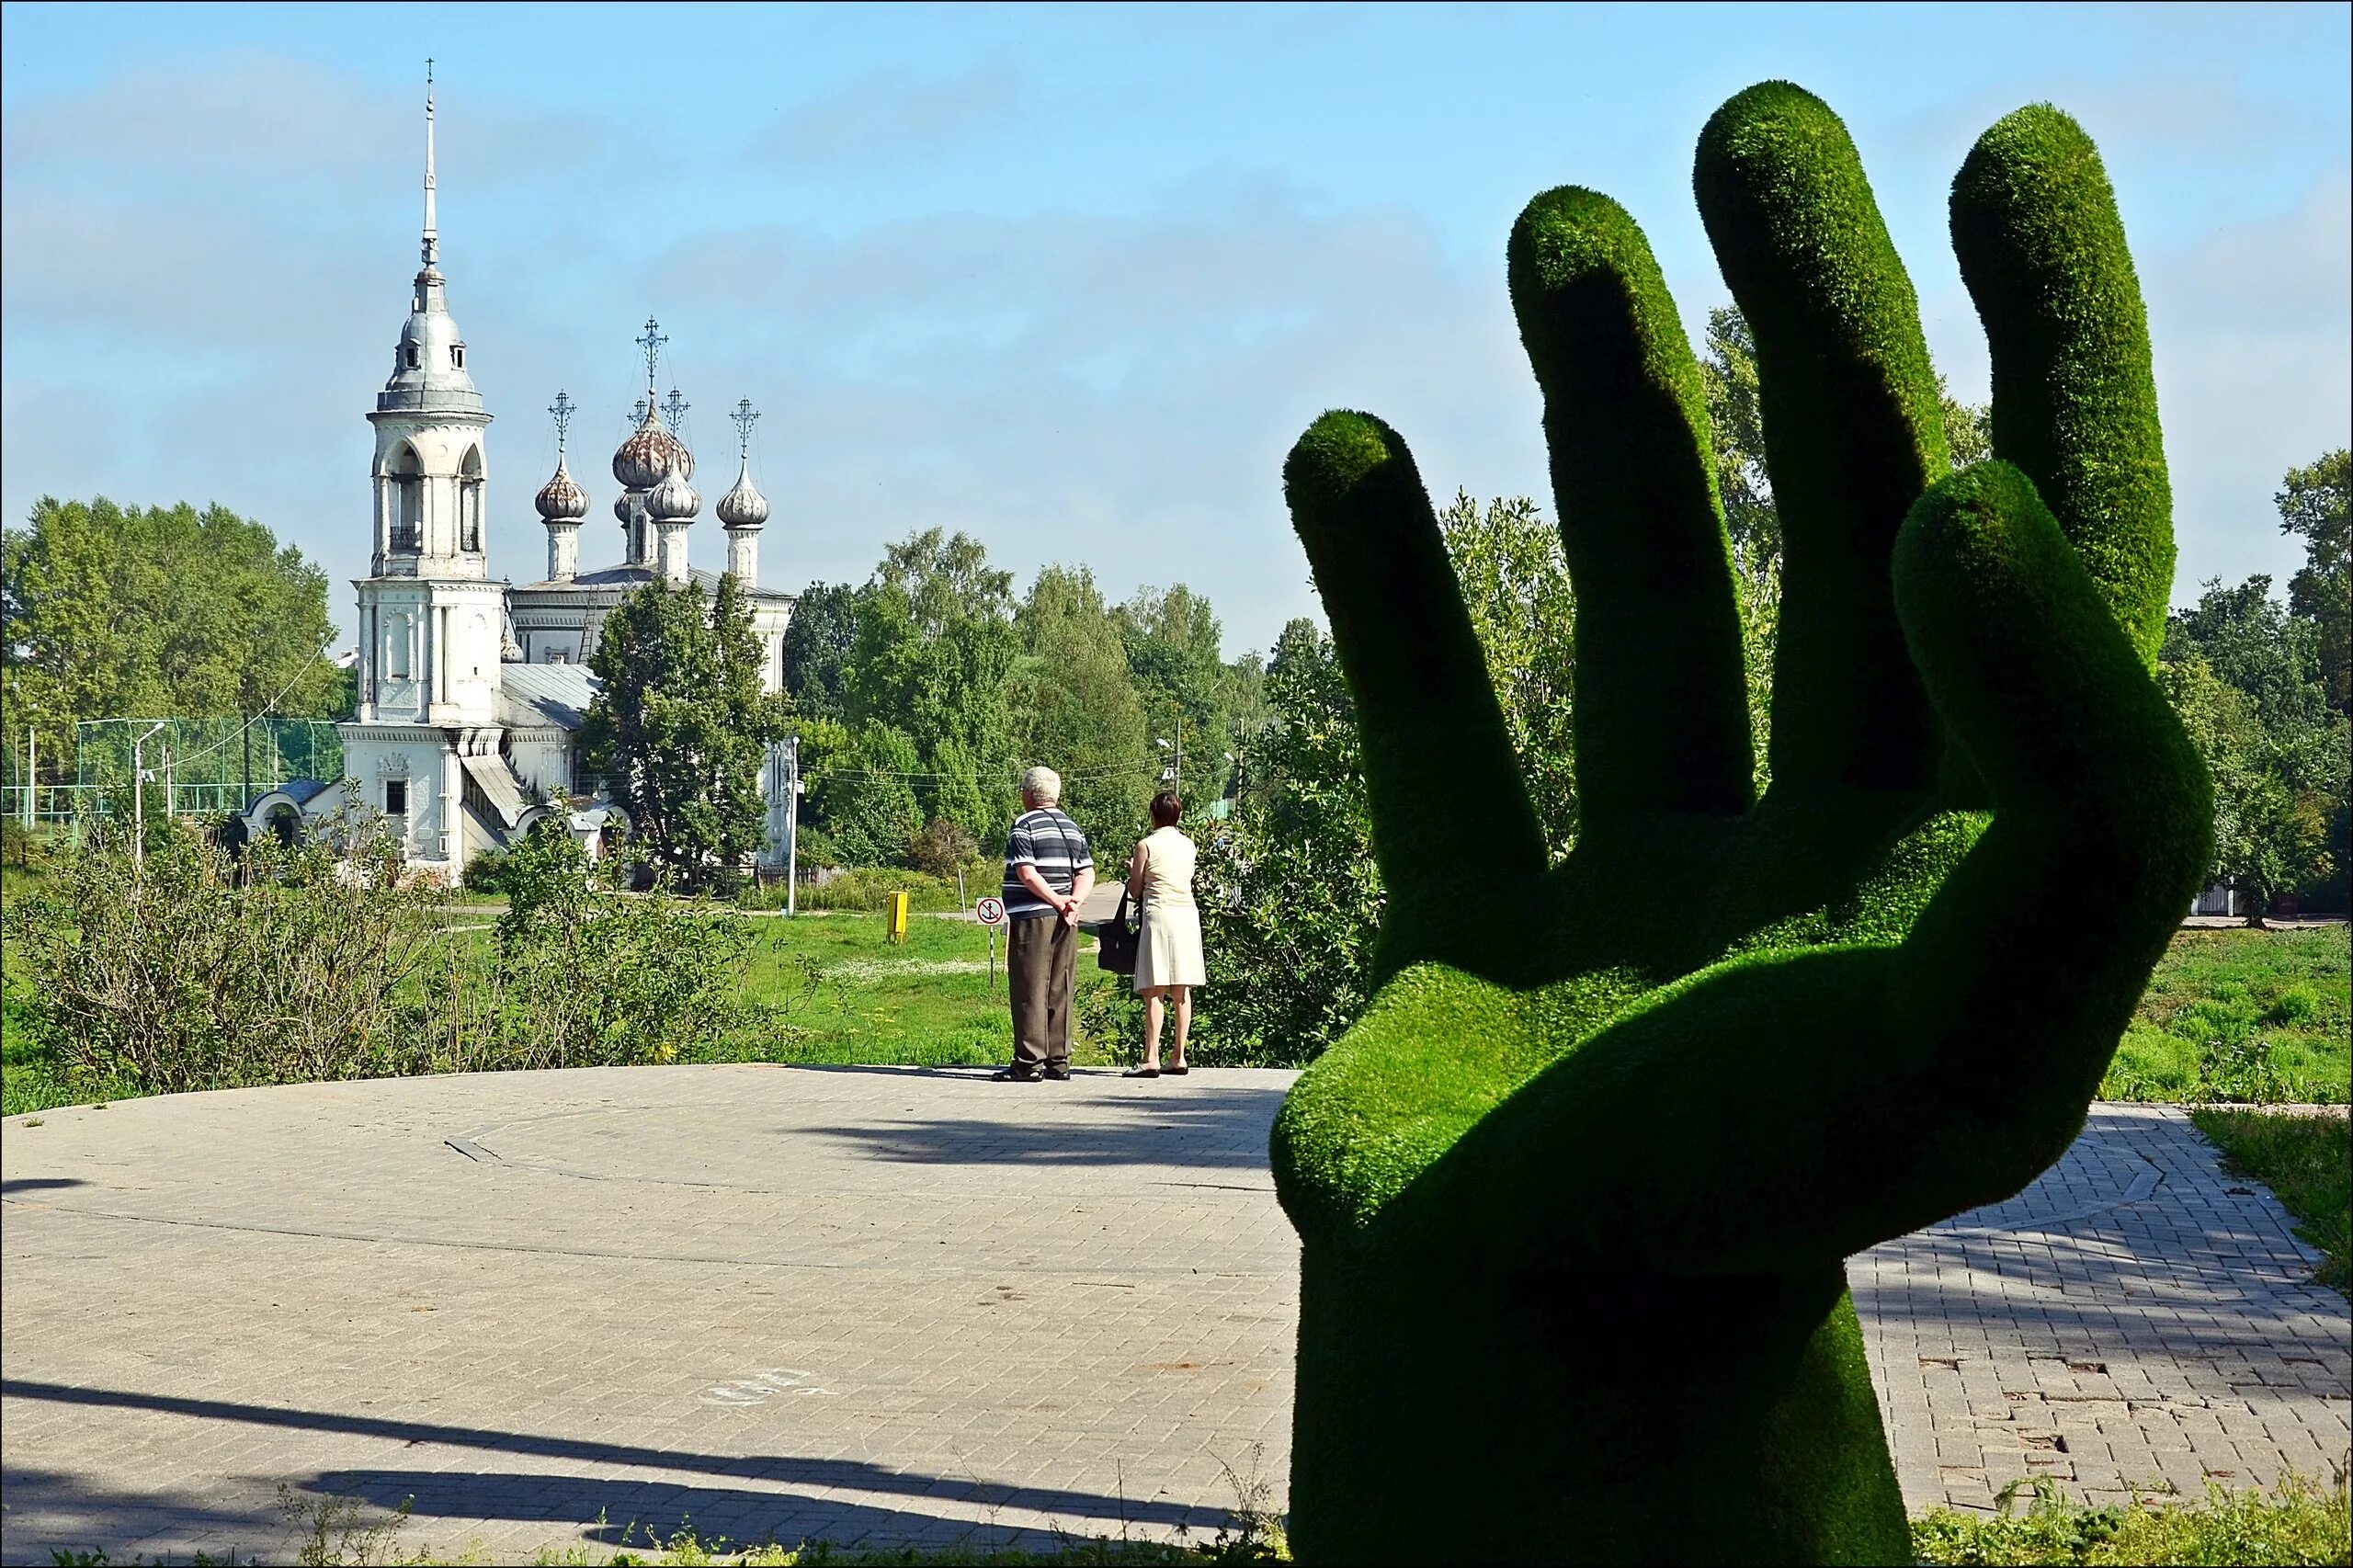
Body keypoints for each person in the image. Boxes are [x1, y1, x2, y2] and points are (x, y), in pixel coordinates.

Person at [996, 766, 1095, 1082]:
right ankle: (1058, 1061)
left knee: (1030, 986)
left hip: (1033, 915)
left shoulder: (1023, 825)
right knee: (1060, 986)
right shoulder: (1072, 827)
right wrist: (1073, 902)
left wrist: (1055, 900)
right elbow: (1086, 872)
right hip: (1067, 918)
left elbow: (1026, 873)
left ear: (1029, 794)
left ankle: (1028, 1062)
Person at [1122, 791, 1206, 1079]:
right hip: (1186, 916)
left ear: (1153, 815)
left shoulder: (1145, 845)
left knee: (1154, 989)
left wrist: (1133, 872)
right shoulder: (1188, 845)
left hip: (1158, 915)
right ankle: (1179, 1056)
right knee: (1181, 991)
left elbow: (1136, 890)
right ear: (1178, 816)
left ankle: (1151, 1058)